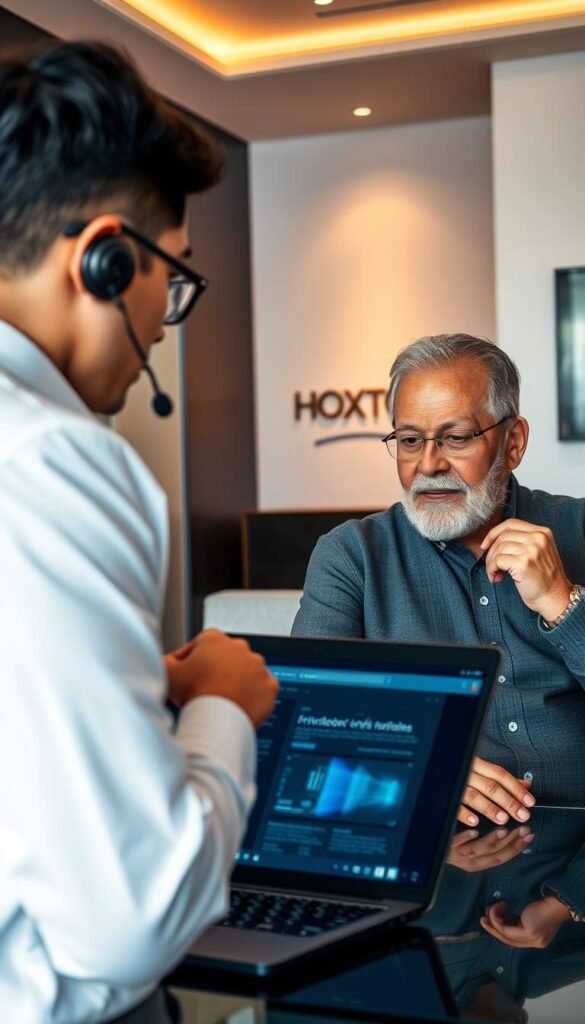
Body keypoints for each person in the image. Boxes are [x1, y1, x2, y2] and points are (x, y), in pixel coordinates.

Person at [0, 40, 278, 1022]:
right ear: (106, 259)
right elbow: (134, 917)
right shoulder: (53, 460)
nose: (164, 323)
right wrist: (220, 707)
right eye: (173, 277)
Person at [292, 333, 585, 830]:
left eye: (456, 437)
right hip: (431, 846)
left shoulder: (578, 530)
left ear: (512, 442)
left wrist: (564, 604)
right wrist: (426, 768)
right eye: (409, 440)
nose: (428, 464)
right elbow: (309, 724)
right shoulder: (351, 556)